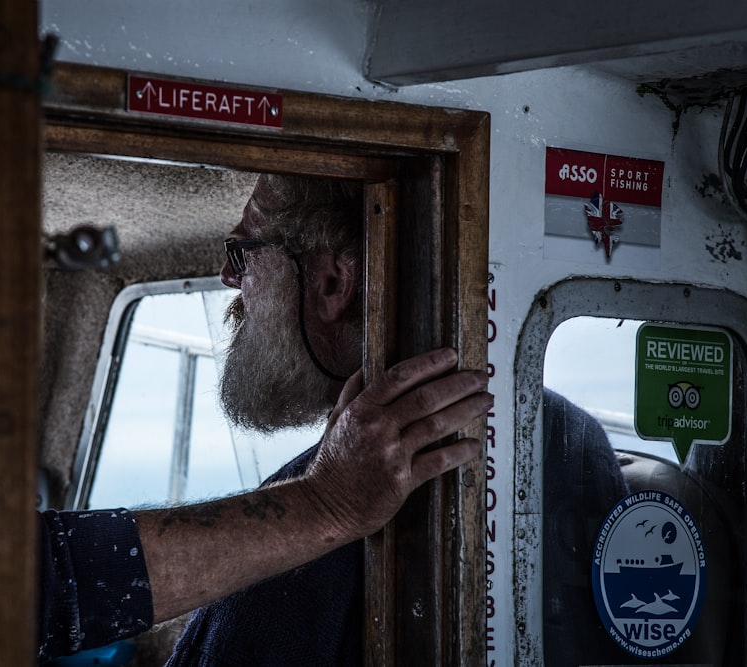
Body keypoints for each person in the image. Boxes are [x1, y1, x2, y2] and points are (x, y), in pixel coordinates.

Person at [38, 174, 494, 663]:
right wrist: (324, 502)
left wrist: (328, 502)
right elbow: (45, 581)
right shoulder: (569, 441)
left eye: (242, 254)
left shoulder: (289, 557)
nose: (227, 277)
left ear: (334, 282)